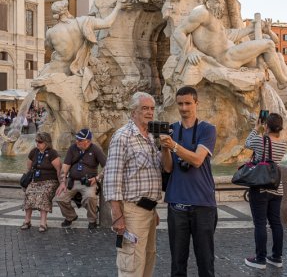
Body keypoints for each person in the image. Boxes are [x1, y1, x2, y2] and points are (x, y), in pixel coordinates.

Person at [173, 0, 287, 89]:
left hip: (232, 54)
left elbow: (230, 36)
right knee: (269, 44)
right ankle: (282, 81)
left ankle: (278, 78)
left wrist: (249, 29)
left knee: (265, 44)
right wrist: (190, 52)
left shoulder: (215, 18)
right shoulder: (201, 12)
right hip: (227, 57)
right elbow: (178, 32)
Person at [160, 86, 218, 277]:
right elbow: (168, 168)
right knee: (177, 264)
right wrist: (165, 149)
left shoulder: (207, 129)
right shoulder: (172, 129)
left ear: (196, 103)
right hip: (177, 204)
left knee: (205, 262)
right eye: (180, 104)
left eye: (188, 103)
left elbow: (197, 160)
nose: (184, 108)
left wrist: (174, 145)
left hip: (202, 205)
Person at [103, 92, 162, 277]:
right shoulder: (122, 137)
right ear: (133, 112)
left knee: (148, 259)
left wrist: (153, 209)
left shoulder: (153, 136)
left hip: (149, 211)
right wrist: (117, 216)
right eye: (145, 108)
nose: (150, 112)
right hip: (131, 212)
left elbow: (149, 176)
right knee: (132, 265)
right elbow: (112, 179)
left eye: (152, 108)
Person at [244, 113, 287, 269]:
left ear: (266, 126)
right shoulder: (283, 144)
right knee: (276, 223)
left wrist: (256, 128)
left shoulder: (259, 139)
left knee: (260, 223)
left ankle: (260, 259)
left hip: (260, 187)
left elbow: (247, 143)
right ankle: (276, 257)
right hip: (277, 187)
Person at [56, 128, 106, 229]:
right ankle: (70, 216)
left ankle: (92, 220)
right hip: (72, 181)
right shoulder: (72, 148)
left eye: (80, 140)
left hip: (89, 182)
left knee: (90, 197)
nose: (77, 141)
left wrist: (97, 178)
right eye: (77, 139)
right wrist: (62, 182)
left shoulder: (95, 149)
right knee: (60, 197)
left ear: (88, 141)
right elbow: (65, 166)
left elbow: (107, 166)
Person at [21, 132, 61, 232]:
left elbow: (59, 170)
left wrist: (62, 184)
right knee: (29, 193)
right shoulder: (34, 152)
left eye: (40, 141)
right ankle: (27, 221)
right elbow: (29, 168)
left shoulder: (52, 153)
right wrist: (27, 180)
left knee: (43, 194)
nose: (37, 143)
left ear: (46, 143)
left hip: (50, 181)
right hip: (36, 181)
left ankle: (43, 223)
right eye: (36, 141)